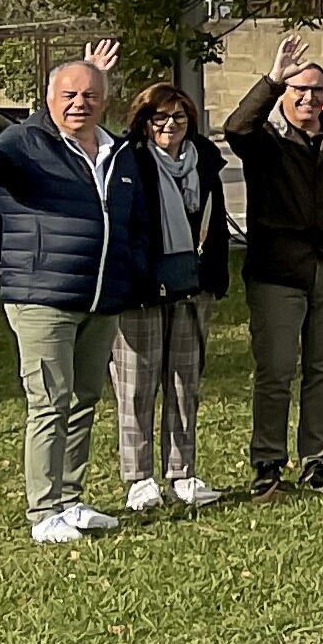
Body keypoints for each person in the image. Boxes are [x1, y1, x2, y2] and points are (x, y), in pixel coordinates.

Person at [0, 46, 149, 541]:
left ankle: (70, 500)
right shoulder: (26, 142)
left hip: (100, 297)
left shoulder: (117, 152)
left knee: (83, 399)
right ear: (48, 99)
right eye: (69, 95)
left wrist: (131, 276)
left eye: (90, 95)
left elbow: (132, 222)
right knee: (49, 402)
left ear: (105, 100)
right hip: (42, 296)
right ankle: (44, 513)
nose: (79, 103)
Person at [222, 33, 323, 496]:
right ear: (284, 95)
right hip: (278, 271)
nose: (308, 98)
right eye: (298, 90)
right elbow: (236, 128)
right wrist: (272, 79)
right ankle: (268, 464)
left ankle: (316, 461)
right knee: (275, 370)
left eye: (316, 90)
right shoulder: (265, 141)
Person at [115, 81, 231, 511]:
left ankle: (183, 473)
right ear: (144, 121)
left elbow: (216, 223)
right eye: (159, 117)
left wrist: (214, 277)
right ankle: (139, 478)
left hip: (193, 285)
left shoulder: (205, 161)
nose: (169, 125)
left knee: (185, 383)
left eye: (178, 117)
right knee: (136, 386)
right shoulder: (127, 159)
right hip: (141, 288)